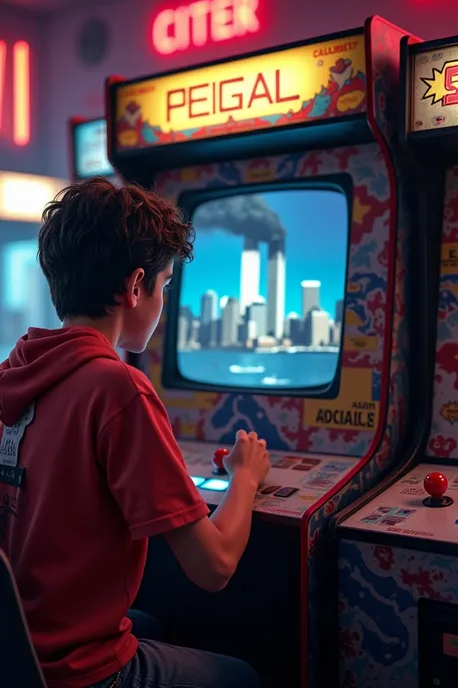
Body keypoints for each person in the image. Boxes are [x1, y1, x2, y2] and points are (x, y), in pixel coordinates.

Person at [0, 178, 270, 688]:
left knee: (152, 623)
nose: (163, 300)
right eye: (165, 286)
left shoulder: (14, 372)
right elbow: (214, 567)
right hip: (77, 670)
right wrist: (246, 477)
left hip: (19, 647)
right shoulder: (119, 389)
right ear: (135, 286)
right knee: (244, 676)